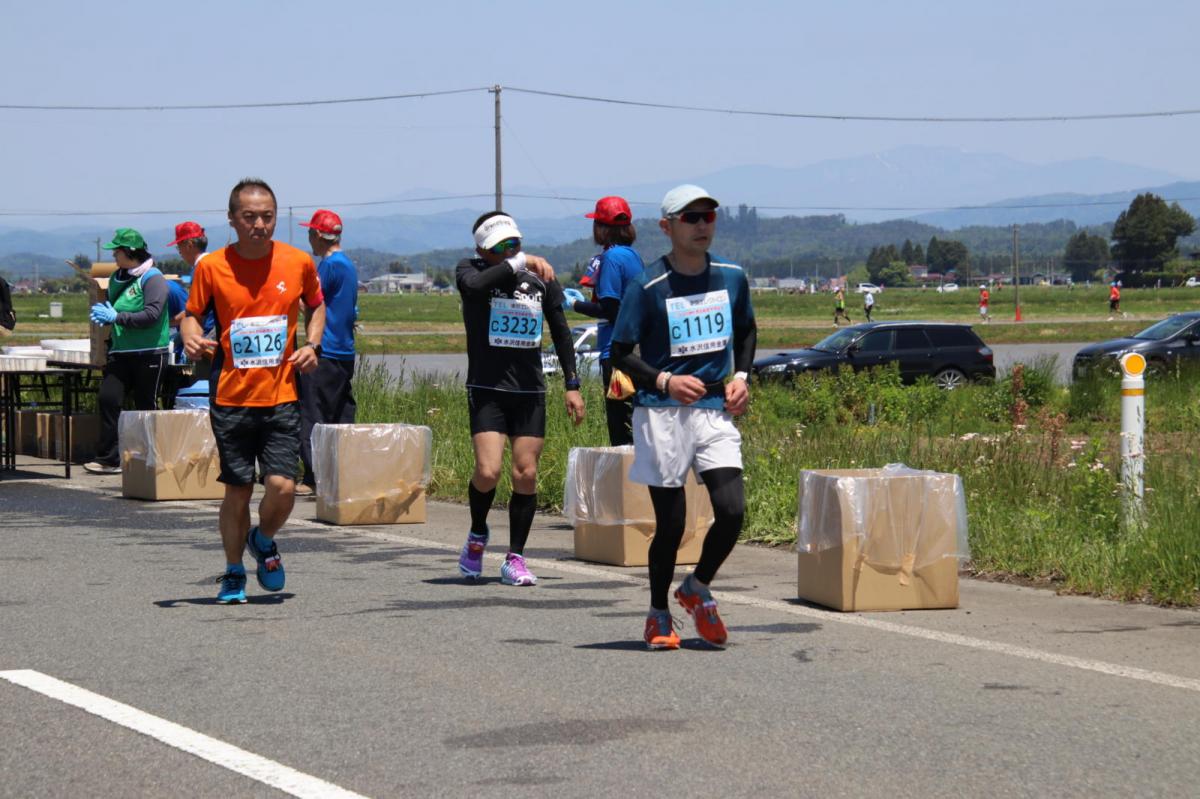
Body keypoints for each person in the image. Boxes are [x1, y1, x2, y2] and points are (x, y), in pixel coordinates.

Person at [610, 184, 757, 650]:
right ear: (667, 225)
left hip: (714, 409)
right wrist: (664, 382)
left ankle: (696, 587)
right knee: (671, 526)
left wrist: (743, 376)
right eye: (690, 218)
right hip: (662, 413)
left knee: (732, 511)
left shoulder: (732, 277)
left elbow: (748, 331)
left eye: (708, 217)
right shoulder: (647, 285)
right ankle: (658, 614)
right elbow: (619, 352)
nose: (701, 226)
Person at [181, 178, 326, 605]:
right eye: (249, 217)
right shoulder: (212, 267)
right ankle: (232, 573)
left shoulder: (298, 262)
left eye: (267, 217)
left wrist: (312, 345)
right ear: (232, 220)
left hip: (281, 395)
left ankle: (262, 540)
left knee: (282, 486)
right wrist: (191, 336)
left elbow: (316, 305)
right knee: (238, 490)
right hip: (230, 397)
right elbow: (190, 315)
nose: (259, 225)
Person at [455, 211, 585, 587]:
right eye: (502, 247)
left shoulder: (539, 278)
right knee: (488, 471)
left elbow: (561, 332)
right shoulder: (470, 270)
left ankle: (515, 557)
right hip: (487, 389)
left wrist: (572, 384)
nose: (512, 251)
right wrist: (517, 262)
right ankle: (478, 533)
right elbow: (477, 288)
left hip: (529, 390)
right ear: (483, 248)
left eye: (516, 243)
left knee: (525, 473)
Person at [84, 228, 170, 475]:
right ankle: (109, 458)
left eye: (117, 251)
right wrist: (107, 314)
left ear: (130, 252)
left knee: (145, 405)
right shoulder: (115, 277)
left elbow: (152, 314)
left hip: (150, 353)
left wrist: (117, 316)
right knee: (108, 399)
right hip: (121, 352)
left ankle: (151, 459)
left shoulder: (152, 278)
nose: (113, 255)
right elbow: (115, 306)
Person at [564, 196, 645, 445]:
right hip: (638, 351)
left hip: (617, 354)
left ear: (601, 228)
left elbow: (609, 309)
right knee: (637, 423)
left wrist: (575, 304)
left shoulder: (610, 259)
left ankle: (628, 483)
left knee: (621, 428)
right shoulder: (633, 256)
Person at [295, 209, 358, 497]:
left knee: (312, 413)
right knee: (338, 413)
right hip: (343, 351)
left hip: (324, 349)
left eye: (310, 233)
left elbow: (311, 302)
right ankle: (340, 472)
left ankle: (312, 476)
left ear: (318, 235)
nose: (309, 238)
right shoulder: (348, 264)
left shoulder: (329, 266)